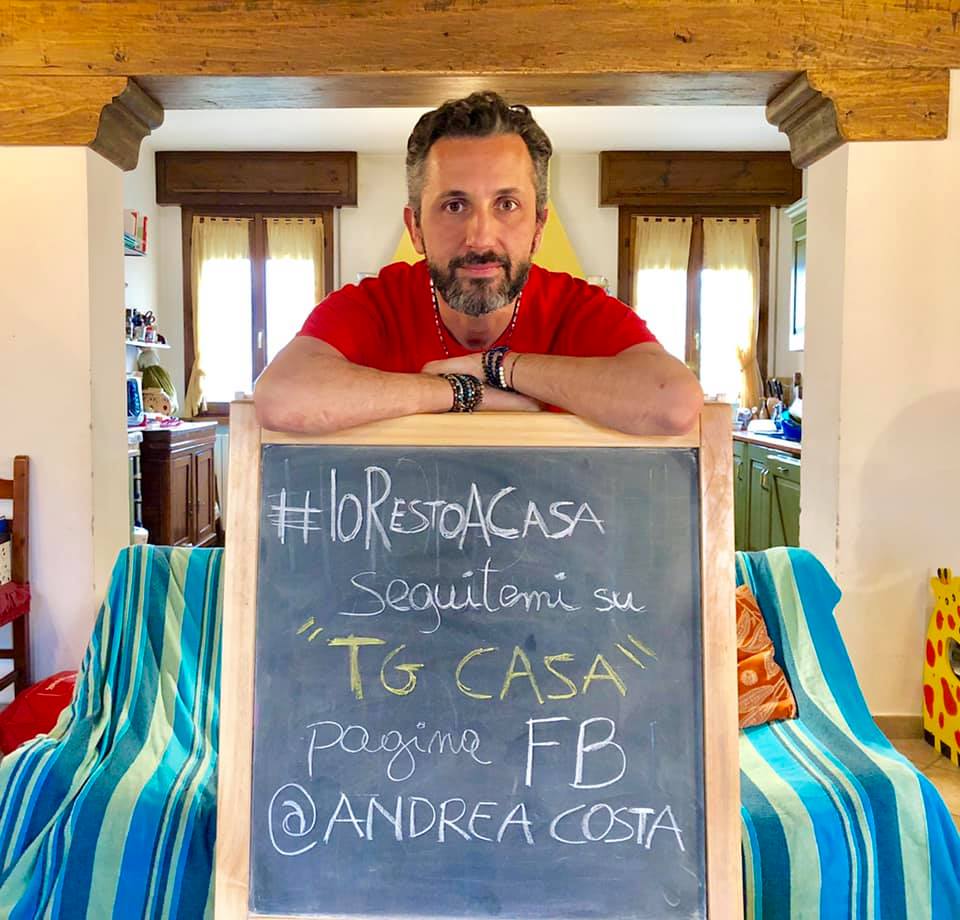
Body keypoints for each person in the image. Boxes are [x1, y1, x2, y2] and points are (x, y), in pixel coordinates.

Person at [254, 92, 702, 435]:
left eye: (506, 204)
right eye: (454, 205)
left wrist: (499, 367)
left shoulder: (575, 308)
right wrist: (458, 391)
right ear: (415, 228)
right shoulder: (376, 305)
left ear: (539, 227)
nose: (480, 237)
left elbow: (674, 403)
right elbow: (282, 396)